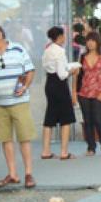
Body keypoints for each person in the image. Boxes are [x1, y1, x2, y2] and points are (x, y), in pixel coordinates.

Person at [0, 24, 37, 189]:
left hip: (19, 101)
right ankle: (12, 173)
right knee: (5, 139)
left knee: (24, 137)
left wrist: (25, 87)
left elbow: (30, 70)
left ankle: (28, 173)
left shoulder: (18, 50)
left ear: (0, 35)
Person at [41, 26, 79, 161]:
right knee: (66, 118)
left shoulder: (47, 50)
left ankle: (46, 150)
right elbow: (62, 74)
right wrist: (72, 72)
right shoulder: (60, 51)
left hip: (49, 83)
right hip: (60, 85)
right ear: (60, 37)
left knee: (49, 117)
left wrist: (67, 68)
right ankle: (64, 152)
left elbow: (49, 67)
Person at [77, 31, 101, 156]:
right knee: (87, 121)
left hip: (98, 93)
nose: (90, 43)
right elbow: (77, 76)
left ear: (98, 42)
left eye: (92, 40)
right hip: (84, 93)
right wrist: (75, 93)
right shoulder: (82, 57)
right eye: (88, 40)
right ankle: (91, 147)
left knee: (98, 119)